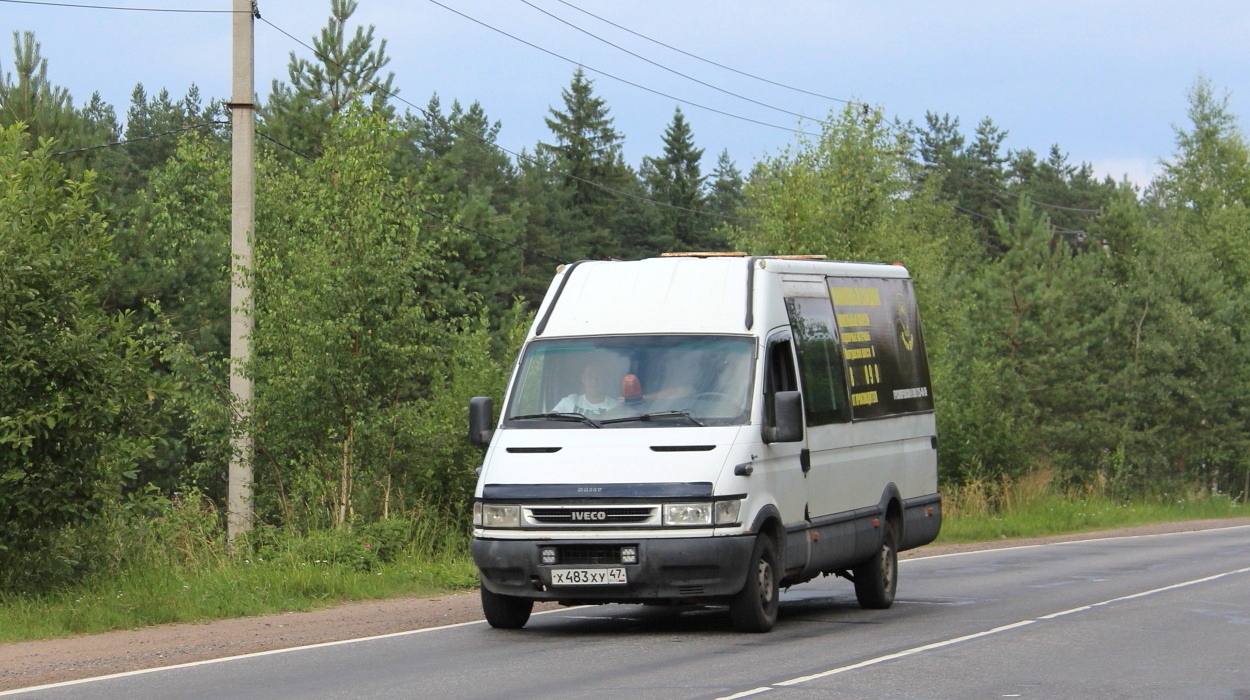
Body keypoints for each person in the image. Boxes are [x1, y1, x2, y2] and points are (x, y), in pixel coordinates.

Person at [553, 360, 620, 415]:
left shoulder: (615, 407)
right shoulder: (571, 401)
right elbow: (549, 419)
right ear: (583, 379)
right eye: (590, 376)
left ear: (605, 379)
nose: (594, 381)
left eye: (599, 376)